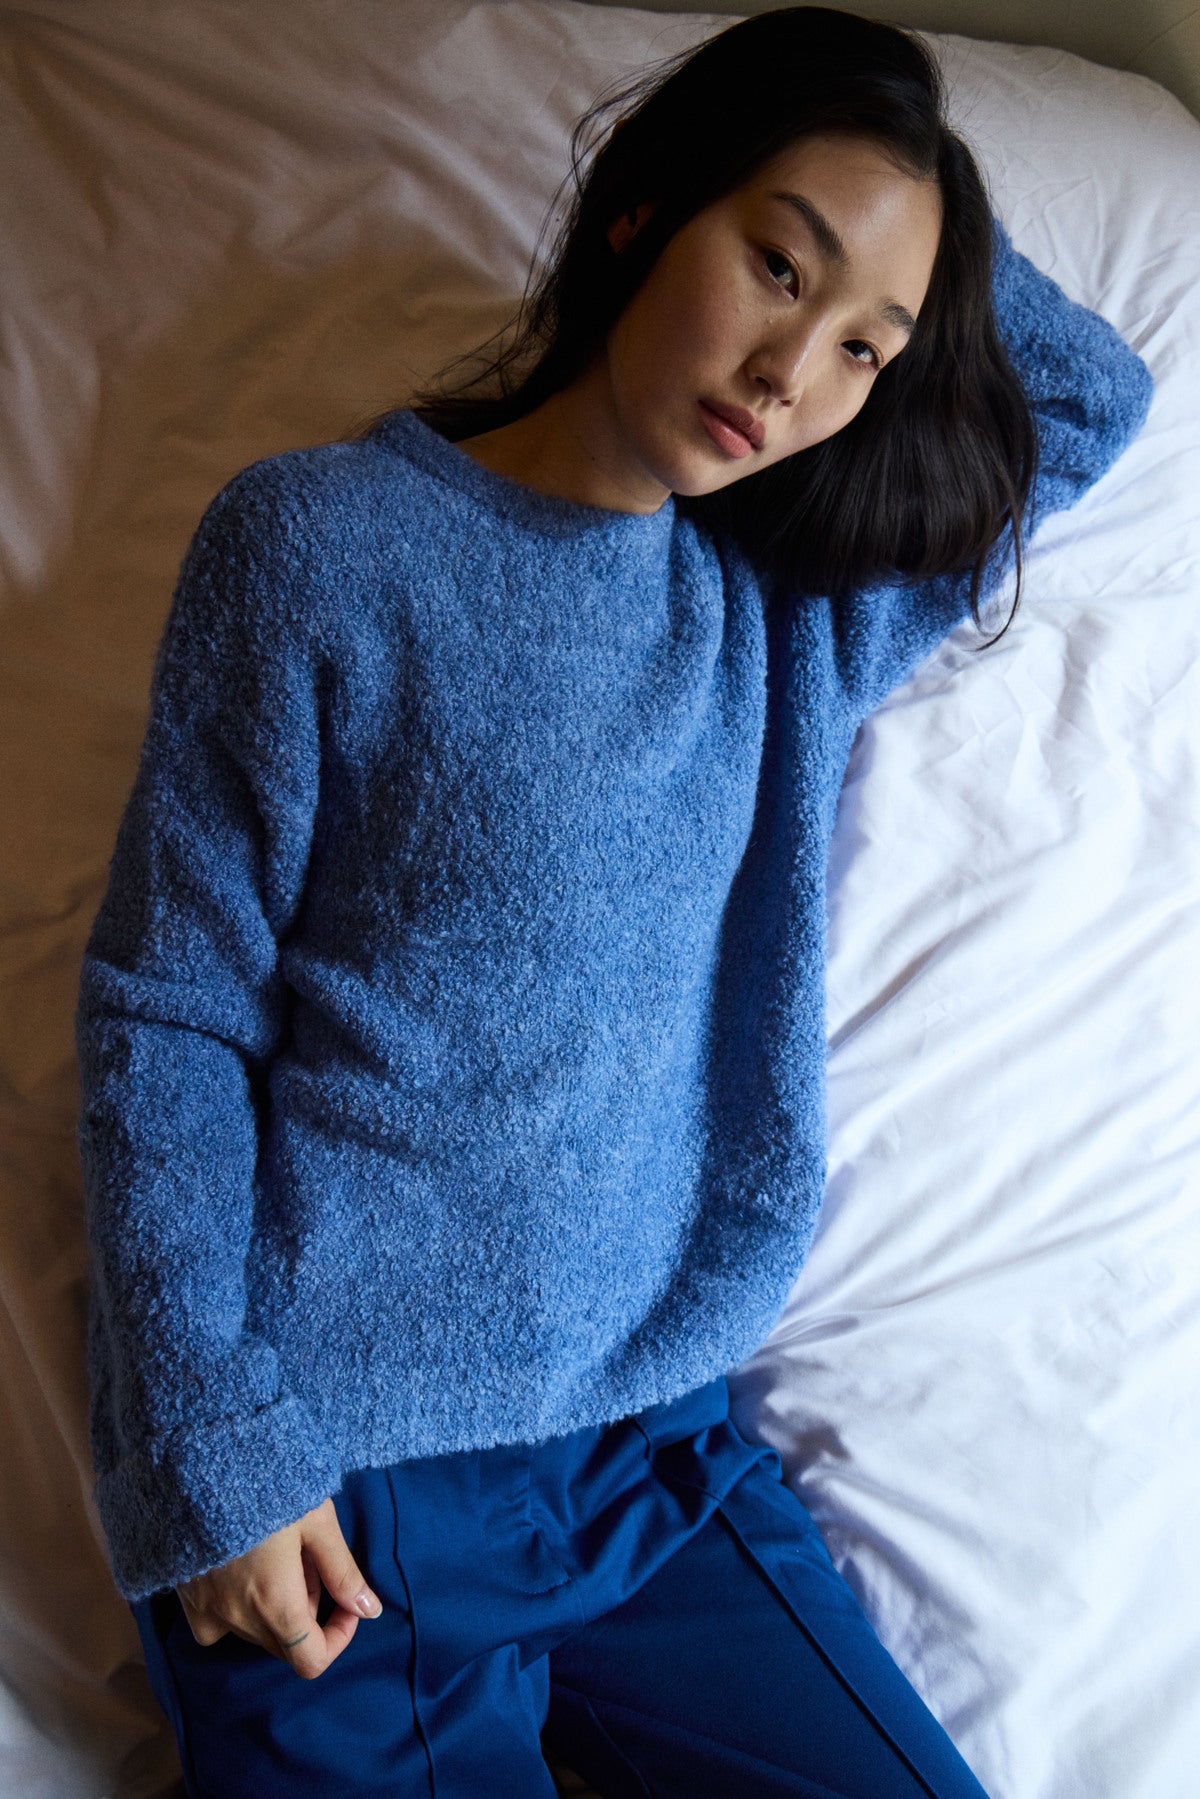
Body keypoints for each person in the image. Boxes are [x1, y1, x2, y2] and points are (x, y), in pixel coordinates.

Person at [74, 7, 1152, 1796]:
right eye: (777, 265)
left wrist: (913, 201)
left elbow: (1087, 396)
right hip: (347, 1499)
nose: (792, 370)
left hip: (658, 1469)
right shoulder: (318, 542)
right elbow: (165, 1008)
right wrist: (217, 1454)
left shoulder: (784, 619)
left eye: (863, 346)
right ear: (645, 210)